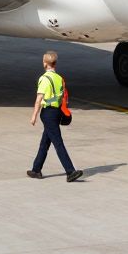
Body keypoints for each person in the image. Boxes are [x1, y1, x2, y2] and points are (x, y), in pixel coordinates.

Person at [28, 51, 83, 182]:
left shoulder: (43, 79)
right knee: (52, 142)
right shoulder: (59, 78)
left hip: (47, 114)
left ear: (44, 63)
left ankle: (37, 170)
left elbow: (38, 99)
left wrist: (34, 115)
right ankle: (69, 171)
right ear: (55, 64)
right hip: (57, 112)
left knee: (50, 142)